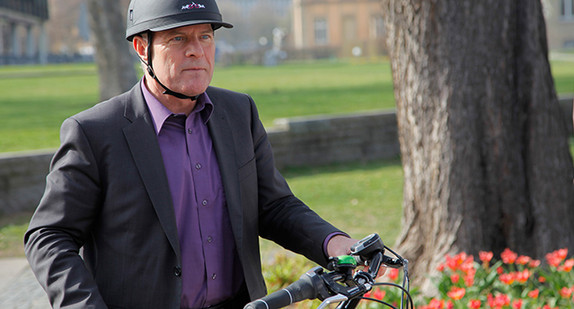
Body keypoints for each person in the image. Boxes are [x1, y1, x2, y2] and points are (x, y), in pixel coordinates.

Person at [24, 0, 370, 308]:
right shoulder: (95, 132)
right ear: (142, 47)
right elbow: (49, 237)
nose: (197, 51)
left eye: (205, 37)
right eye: (179, 39)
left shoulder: (239, 112)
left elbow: (273, 204)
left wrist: (334, 242)